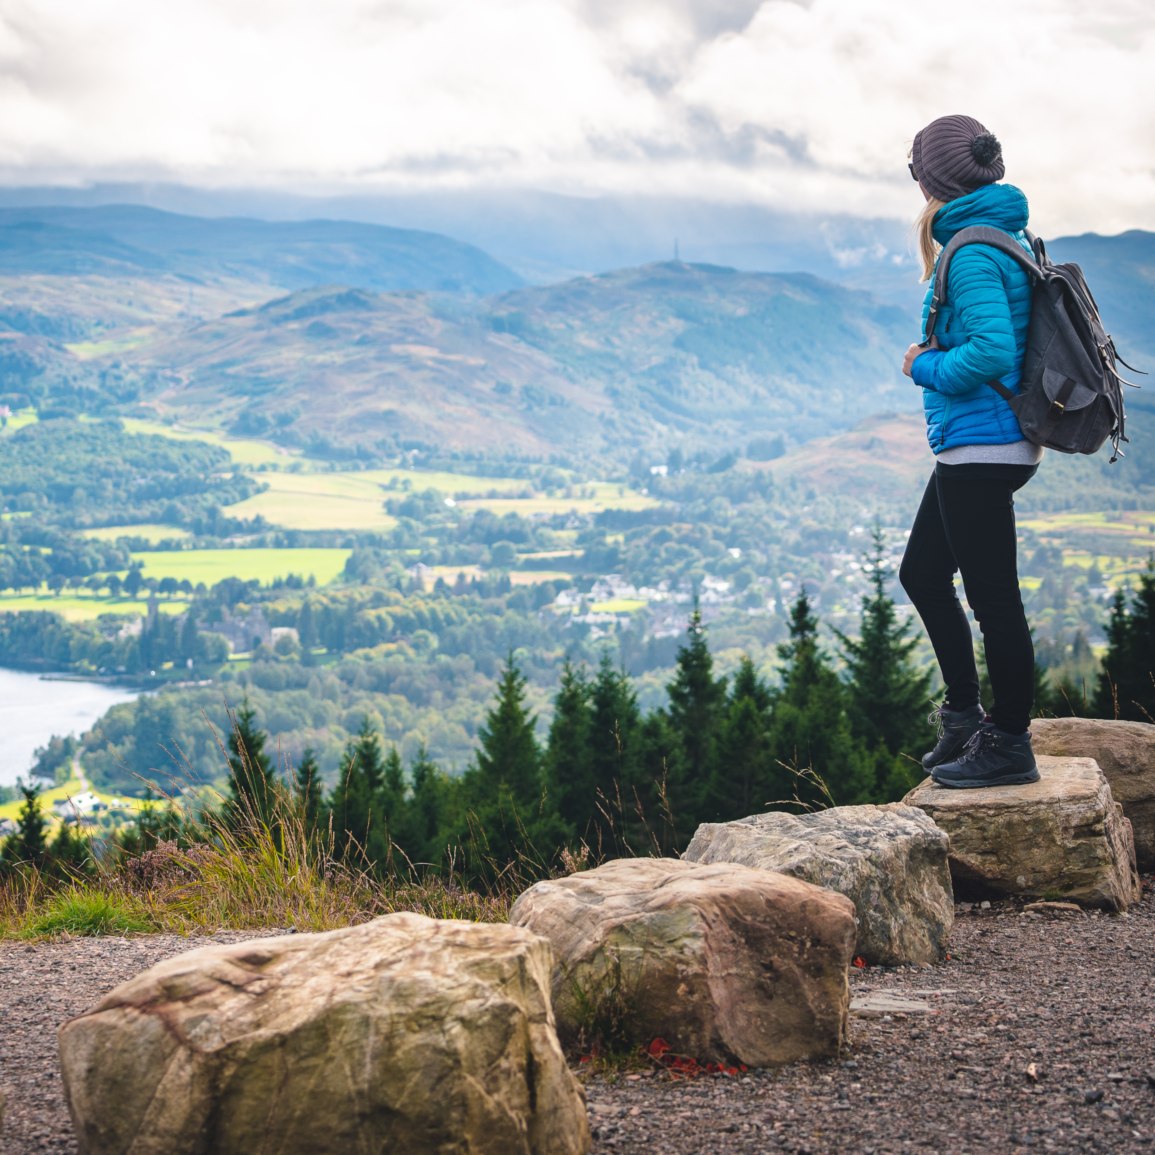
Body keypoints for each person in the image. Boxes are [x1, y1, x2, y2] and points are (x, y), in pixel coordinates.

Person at [898, 113, 1041, 789]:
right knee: (921, 574)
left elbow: (990, 350)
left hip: (984, 444)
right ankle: (963, 715)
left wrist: (919, 366)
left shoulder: (975, 251)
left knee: (992, 599)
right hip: (975, 444)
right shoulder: (995, 234)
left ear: (934, 181)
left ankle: (1008, 740)